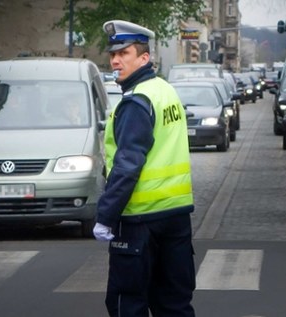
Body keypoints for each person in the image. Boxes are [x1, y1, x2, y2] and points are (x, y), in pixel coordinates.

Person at [93, 20, 196, 317]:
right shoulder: (164, 90)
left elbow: (127, 164)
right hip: (176, 215)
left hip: (140, 221)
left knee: (128, 303)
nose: (115, 60)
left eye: (124, 53)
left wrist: (106, 215)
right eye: (113, 54)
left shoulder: (136, 100)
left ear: (144, 58)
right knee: (174, 304)